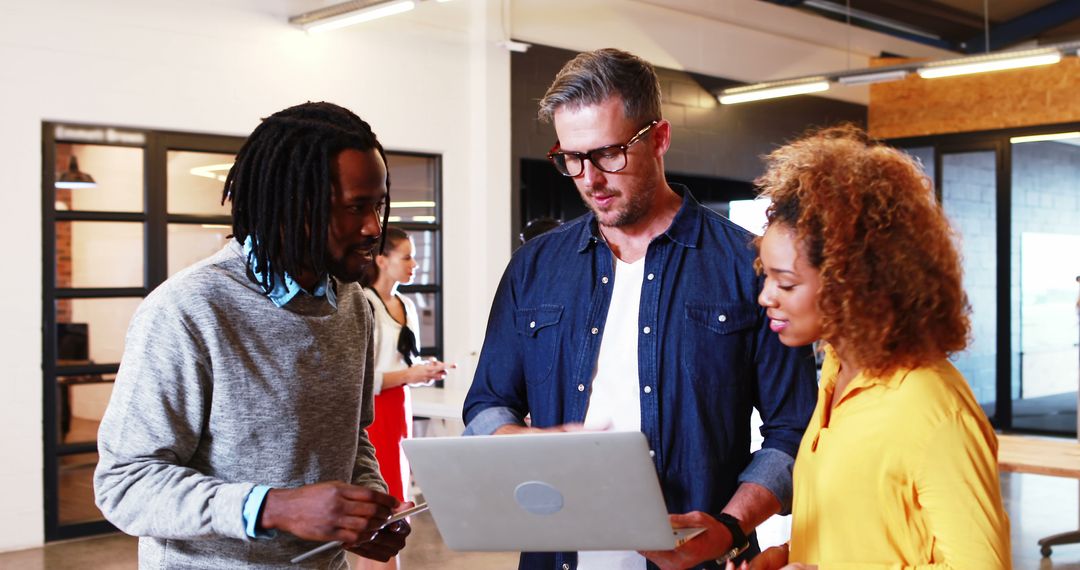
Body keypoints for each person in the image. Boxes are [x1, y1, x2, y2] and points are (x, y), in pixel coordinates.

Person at [462, 48, 818, 570]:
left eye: (608, 154)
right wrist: (530, 444)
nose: (590, 179)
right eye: (572, 158)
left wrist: (729, 526)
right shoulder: (534, 269)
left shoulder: (746, 266)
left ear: (659, 138)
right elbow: (487, 404)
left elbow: (795, 428)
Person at [94, 102, 414, 569]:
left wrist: (365, 507)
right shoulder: (190, 309)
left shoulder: (352, 305)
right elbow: (125, 485)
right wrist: (273, 507)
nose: (371, 227)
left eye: (378, 204)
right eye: (354, 207)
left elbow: (351, 436)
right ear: (292, 207)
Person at [741, 124, 1011, 569]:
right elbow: (868, 535)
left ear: (854, 283)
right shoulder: (837, 372)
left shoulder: (934, 410)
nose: (766, 296)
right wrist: (788, 557)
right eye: (765, 275)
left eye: (785, 282)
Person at [358, 226, 452, 570]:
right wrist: (409, 375)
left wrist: (423, 372)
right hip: (374, 416)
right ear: (382, 260)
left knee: (396, 509)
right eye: (407, 256)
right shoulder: (363, 303)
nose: (414, 263)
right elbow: (361, 380)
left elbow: (402, 365)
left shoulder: (405, 304)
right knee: (380, 512)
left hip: (399, 411)